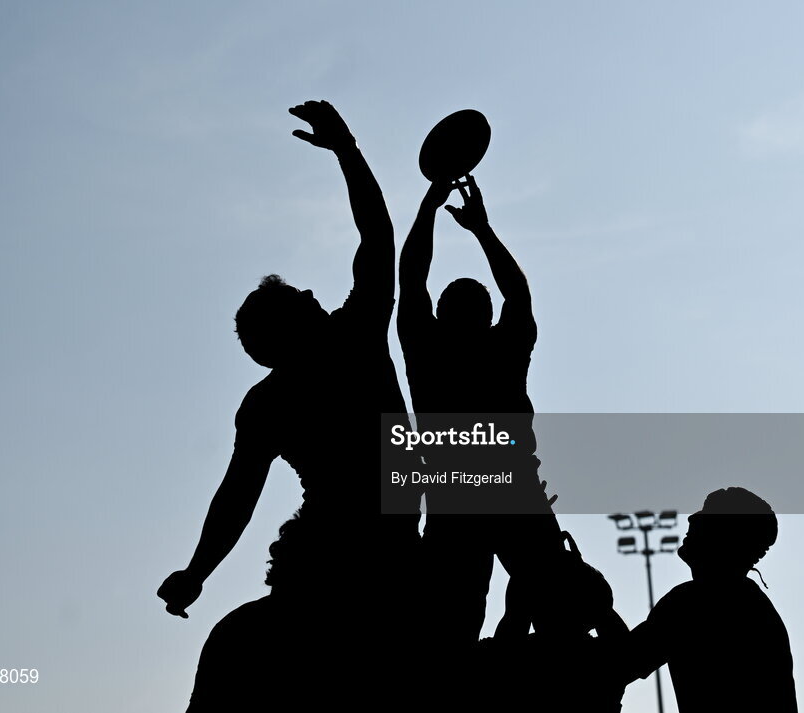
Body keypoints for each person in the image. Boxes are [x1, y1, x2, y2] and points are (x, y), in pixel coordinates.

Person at [156, 100, 419, 708]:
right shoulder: (355, 337)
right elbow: (378, 237)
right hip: (383, 558)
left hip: (330, 553)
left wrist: (198, 573)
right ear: (296, 324)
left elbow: (236, 499)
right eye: (301, 295)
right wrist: (347, 151)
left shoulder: (267, 402)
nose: (310, 290)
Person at [397, 173, 566, 648]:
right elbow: (518, 294)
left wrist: (430, 205)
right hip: (513, 487)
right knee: (558, 611)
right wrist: (482, 230)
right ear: (488, 317)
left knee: (451, 627)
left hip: (455, 497)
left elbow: (410, 277)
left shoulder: (426, 350)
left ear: (440, 314)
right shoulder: (505, 349)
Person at [622, 487, 798, 713]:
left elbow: (617, 665)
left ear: (724, 537)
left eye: (705, 516)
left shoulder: (696, 601)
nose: (691, 518)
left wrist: (595, 603)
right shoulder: (749, 604)